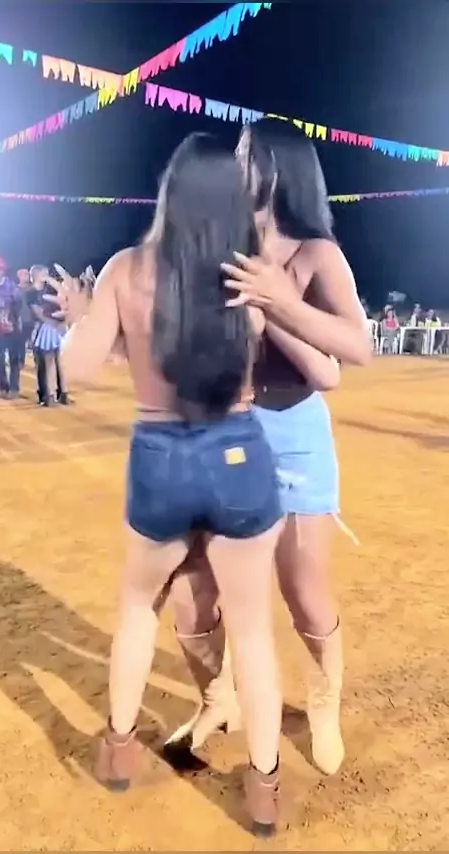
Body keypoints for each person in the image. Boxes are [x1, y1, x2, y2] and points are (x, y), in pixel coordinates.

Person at [49, 133, 287, 836]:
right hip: (238, 452)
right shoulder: (251, 272)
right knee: (252, 631)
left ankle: (120, 751)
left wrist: (81, 316)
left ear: (169, 191)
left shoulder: (127, 269)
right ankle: (265, 790)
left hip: (161, 457)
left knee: (137, 608)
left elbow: (80, 367)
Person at [166, 119, 371, 778]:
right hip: (221, 433)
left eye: (246, 152)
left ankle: (324, 702)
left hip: (294, 436)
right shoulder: (218, 242)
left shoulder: (315, 252)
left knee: (303, 589)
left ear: (277, 167)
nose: (234, 161)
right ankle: (216, 699)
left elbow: (353, 350)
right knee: (192, 587)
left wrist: (278, 306)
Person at [27, 265, 69, 406]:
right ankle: (46, 395)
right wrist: (52, 323)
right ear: (37, 274)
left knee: (59, 362)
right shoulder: (31, 293)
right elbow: (37, 312)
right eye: (44, 273)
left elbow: (62, 297)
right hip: (41, 328)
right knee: (44, 363)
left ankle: (61, 394)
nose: (47, 275)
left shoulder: (49, 289)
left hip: (54, 327)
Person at [0, 256, 22, 398]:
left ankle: (14, 388)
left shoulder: (11, 287)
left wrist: (13, 321)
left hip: (12, 327)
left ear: (3, 271)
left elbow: (18, 306)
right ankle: (3, 388)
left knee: (14, 358)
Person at [16, 268, 35, 367]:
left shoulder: (33, 289)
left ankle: (38, 361)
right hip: (21, 320)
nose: (27, 276)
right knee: (21, 342)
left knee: (35, 342)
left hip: (33, 319)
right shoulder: (16, 289)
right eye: (25, 275)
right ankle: (20, 361)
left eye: (28, 274)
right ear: (19, 276)